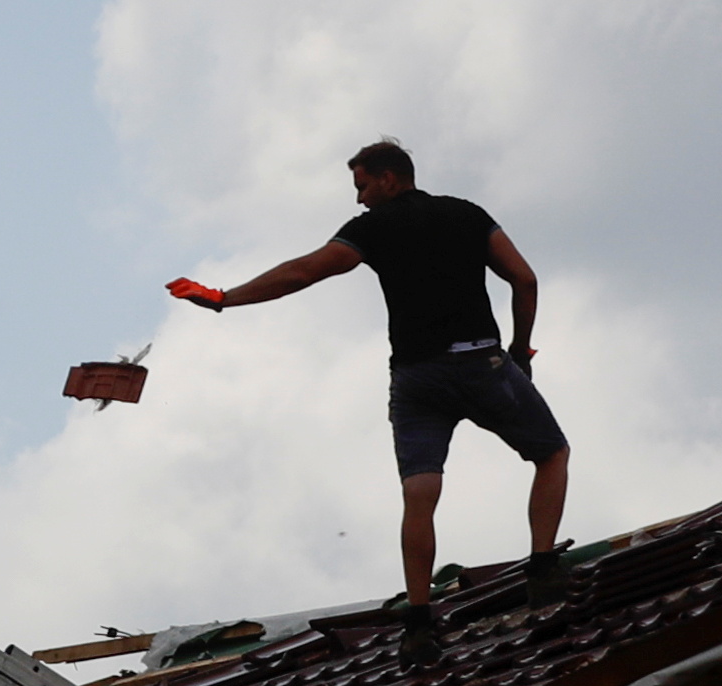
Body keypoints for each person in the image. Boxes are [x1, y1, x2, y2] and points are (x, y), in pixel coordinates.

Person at [167, 138, 569, 634]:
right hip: (480, 363)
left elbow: (303, 271)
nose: (358, 199)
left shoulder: (373, 228)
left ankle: (420, 621)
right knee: (551, 453)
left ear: (388, 179)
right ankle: (543, 569)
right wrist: (520, 351)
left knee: (420, 493)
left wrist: (226, 298)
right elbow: (524, 280)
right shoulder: (467, 215)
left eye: (362, 187)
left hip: (417, 380)